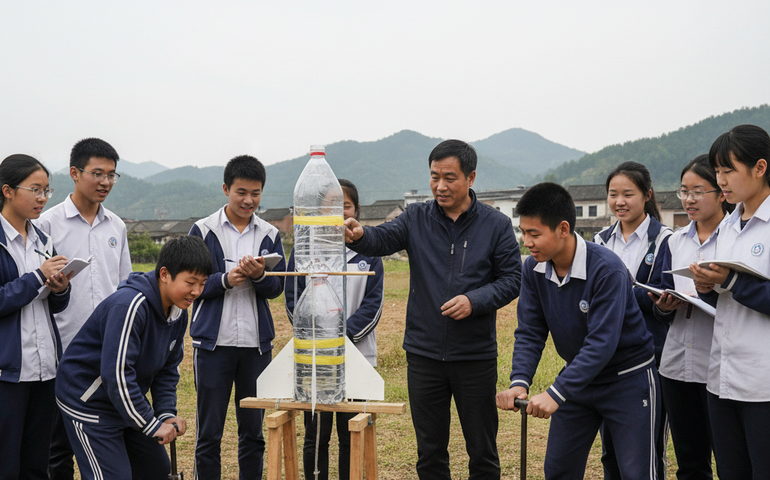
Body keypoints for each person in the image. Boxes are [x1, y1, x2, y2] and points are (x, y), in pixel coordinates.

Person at [344, 139, 521, 479]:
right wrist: (361, 234)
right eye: (434, 176)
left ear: (470, 177)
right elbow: (383, 238)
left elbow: (512, 279)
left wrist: (474, 301)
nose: (440, 186)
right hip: (424, 354)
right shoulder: (416, 217)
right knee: (429, 452)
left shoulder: (496, 225)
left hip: (474, 356)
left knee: (482, 451)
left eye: (449, 177)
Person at [497, 182, 660, 480]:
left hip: (627, 380)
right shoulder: (532, 269)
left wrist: (556, 393)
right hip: (579, 381)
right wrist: (520, 380)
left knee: (636, 473)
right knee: (559, 469)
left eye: (534, 234)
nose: (527, 242)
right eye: (523, 232)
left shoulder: (606, 269)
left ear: (562, 229)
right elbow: (530, 331)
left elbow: (601, 343)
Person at [55, 235, 211, 480]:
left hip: (126, 402)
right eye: (190, 282)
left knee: (157, 471)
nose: (197, 291)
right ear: (164, 274)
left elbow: (167, 370)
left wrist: (165, 413)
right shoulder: (130, 306)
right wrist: (150, 424)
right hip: (89, 401)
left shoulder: (178, 312)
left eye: (202, 284)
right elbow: (116, 375)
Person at [37, 137, 133, 480]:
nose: (105, 182)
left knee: (107, 430)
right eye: (97, 173)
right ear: (75, 173)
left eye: (111, 175)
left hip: (107, 347)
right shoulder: (47, 224)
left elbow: (124, 284)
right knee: (57, 444)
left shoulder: (116, 226)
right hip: (62, 348)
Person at [189, 154, 287, 480]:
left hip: (255, 347)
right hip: (212, 346)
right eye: (241, 192)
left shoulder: (270, 234)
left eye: (255, 193)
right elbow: (188, 284)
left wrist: (259, 276)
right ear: (226, 189)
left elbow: (277, 288)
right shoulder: (204, 230)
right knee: (209, 433)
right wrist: (225, 280)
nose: (248, 200)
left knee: (253, 432)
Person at [285, 178, 384, 480]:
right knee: (315, 436)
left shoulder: (369, 254)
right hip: (315, 359)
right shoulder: (304, 252)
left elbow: (373, 305)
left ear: (356, 210)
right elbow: (293, 300)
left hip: (357, 357)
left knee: (349, 434)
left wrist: (342, 335)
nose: (337, 212)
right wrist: (319, 335)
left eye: (345, 206)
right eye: (329, 206)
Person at [689, 124, 770, 478]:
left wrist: (732, 281)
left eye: (728, 171)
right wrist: (706, 285)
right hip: (721, 377)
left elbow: (737, 284)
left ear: (760, 167)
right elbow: (726, 294)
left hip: (763, 382)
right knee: (731, 471)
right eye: (717, 171)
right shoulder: (728, 224)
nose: (720, 181)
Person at [651, 155, 730, 479]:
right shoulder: (674, 241)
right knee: (689, 461)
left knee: (729, 460)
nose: (689, 199)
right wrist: (664, 305)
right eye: (684, 191)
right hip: (676, 364)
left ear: (721, 193)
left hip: (720, 363)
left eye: (698, 191)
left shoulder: (735, 238)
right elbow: (662, 294)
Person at [594, 161, 672, 477]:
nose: (620, 202)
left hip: (650, 359)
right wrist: (633, 293)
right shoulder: (599, 241)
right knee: (610, 452)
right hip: (607, 359)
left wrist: (620, 293)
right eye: (613, 194)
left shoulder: (666, 240)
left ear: (647, 195)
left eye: (628, 194)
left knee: (647, 452)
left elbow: (664, 294)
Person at [0, 154, 73, 480]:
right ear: (8, 191)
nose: (42, 198)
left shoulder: (44, 240)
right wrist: (37, 277)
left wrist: (60, 288)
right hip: (8, 373)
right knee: (6, 463)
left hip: (45, 370)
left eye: (46, 190)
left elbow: (53, 305)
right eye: (35, 190)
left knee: (36, 463)